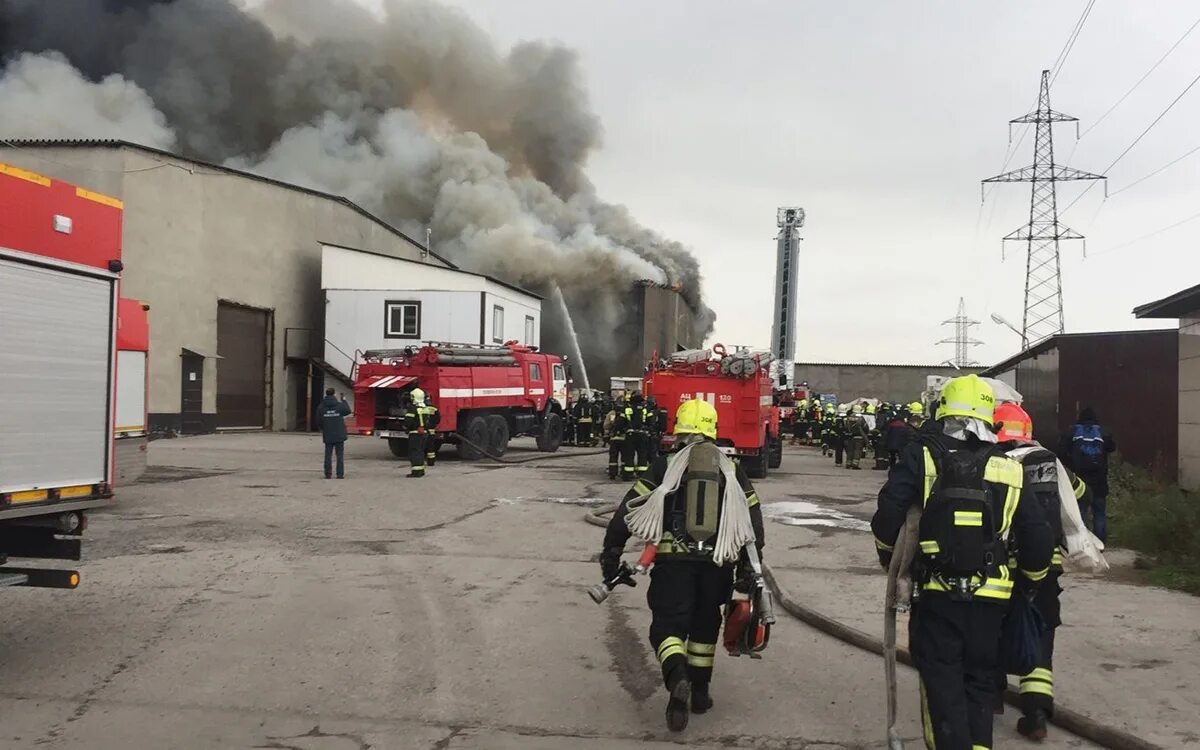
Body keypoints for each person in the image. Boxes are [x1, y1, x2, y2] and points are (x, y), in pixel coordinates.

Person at [872, 374, 1053, 750]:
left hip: (938, 596)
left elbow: (888, 514)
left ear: (943, 410)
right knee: (980, 684)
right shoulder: (1009, 467)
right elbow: (1039, 537)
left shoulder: (921, 454)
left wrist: (891, 562)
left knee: (942, 686)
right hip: (993, 603)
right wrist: (1031, 583)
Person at [600, 399, 765, 732]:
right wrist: (750, 568)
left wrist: (611, 551)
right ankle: (700, 695)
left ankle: (677, 678)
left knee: (667, 627)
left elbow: (629, 507)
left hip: (673, 563)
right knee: (704, 629)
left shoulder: (665, 466)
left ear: (680, 429)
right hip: (718, 564)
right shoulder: (731, 470)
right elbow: (753, 522)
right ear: (712, 430)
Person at [993, 402, 1091, 741]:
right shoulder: (1048, 460)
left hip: (1003, 567)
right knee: (1040, 632)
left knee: (993, 628)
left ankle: (991, 696)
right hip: (1046, 567)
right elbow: (1078, 492)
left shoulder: (995, 463)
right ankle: (1035, 714)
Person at [1059, 407, 1116, 543]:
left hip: (1079, 482)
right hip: (1099, 482)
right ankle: (1100, 544)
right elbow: (1112, 447)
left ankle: (1082, 543)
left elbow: (1060, 452)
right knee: (1099, 514)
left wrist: (1070, 465)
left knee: (1080, 513)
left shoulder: (1072, 432)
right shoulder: (1102, 432)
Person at [403, 388, 440, 478]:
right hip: (425, 433)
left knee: (415, 452)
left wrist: (405, 426)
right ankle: (421, 470)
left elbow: (407, 422)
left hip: (415, 433)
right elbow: (435, 419)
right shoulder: (426, 408)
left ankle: (416, 472)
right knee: (420, 452)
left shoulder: (412, 409)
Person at [317, 387, 351, 479]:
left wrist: (324, 429)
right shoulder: (339, 405)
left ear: (326, 394)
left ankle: (328, 474)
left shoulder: (321, 407)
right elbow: (348, 411)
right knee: (339, 455)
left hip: (328, 434)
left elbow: (319, 421)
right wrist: (343, 400)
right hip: (339, 434)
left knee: (328, 455)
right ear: (334, 394)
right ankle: (340, 474)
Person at [617, 392, 652, 479]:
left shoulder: (627, 408)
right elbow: (651, 422)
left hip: (630, 435)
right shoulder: (646, 408)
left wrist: (619, 430)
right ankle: (642, 475)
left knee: (629, 455)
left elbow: (621, 422)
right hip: (643, 435)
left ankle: (628, 474)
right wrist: (649, 430)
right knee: (643, 455)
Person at [844, 405, 868, 469]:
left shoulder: (848, 418)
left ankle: (848, 463)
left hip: (850, 436)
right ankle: (855, 464)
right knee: (857, 450)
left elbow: (846, 427)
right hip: (859, 437)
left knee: (850, 450)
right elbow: (865, 427)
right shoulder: (861, 418)